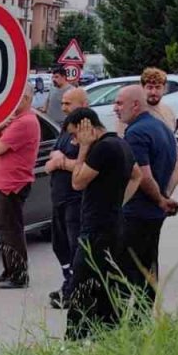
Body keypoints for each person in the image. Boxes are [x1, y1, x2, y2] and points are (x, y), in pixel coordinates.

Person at [62, 107, 141, 340]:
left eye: (75, 135)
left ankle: (75, 337)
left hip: (96, 229)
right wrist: (118, 203)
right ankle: (107, 333)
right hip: (113, 223)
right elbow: (136, 175)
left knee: (81, 284)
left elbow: (77, 182)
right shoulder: (121, 144)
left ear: (87, 126)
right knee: (105, 284)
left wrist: (84, 148)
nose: (74, 141)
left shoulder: (102, 148)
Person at [114, 85, 178, 311]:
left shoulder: (136, 133)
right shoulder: (161, 127)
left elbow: (142, 175)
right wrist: (166, 197)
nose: (115, 108)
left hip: (138, 212)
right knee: (149, 264)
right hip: (154, 213)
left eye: (119, 103)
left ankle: (127, 320)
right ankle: (144, 314)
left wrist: (160, 200)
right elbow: (176, 170)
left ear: (135, 104)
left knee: (126, 267)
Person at [0, 87, 41, 290]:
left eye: (15, 99)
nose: (10, 104)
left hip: (13, 184)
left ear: (26, 98)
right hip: (5, 182)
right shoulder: (19, 121)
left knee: (12, 230)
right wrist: (0, 129)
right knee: (5, 229)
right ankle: (9, 270)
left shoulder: (25, 122)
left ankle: (18, 275)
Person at [44, 87, 89, 308]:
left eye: (68, 103)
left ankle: (75, 291)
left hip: (76, 201)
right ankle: (68, 283)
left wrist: (62, 162)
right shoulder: (65, 129)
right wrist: (58, 160)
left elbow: (88, 167)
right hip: (58, 199)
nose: (63, 108)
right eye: (62, 103)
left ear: (83, 105)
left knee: (75, 247)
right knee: (58, 245)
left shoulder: (86, 132)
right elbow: (50, 160)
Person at [140, 67, 178, 195]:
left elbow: (172, 142)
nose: (153, 92)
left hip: (169, 173)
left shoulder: (168, 111)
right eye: (149, 87)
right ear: (142, 88)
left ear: (164, 89)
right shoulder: (136, 111)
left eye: (158, 87)